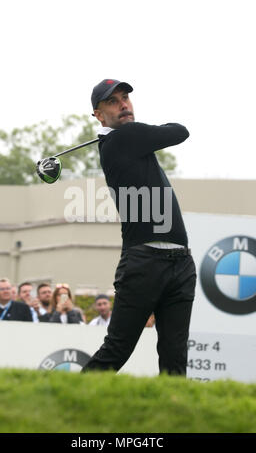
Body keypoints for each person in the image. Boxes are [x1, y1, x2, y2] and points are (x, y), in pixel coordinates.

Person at [82, 79, 196, 375]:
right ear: (98, 114)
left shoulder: (124, 141)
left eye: (126, 98)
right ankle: (64, 403)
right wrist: (142, 127)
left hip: (180, 261)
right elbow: (179, 131)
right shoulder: (125, 137)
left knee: (175, 358)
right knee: (117, 349)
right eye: (113, 101)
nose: (124, 104)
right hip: (144, 262)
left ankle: (172, 418)